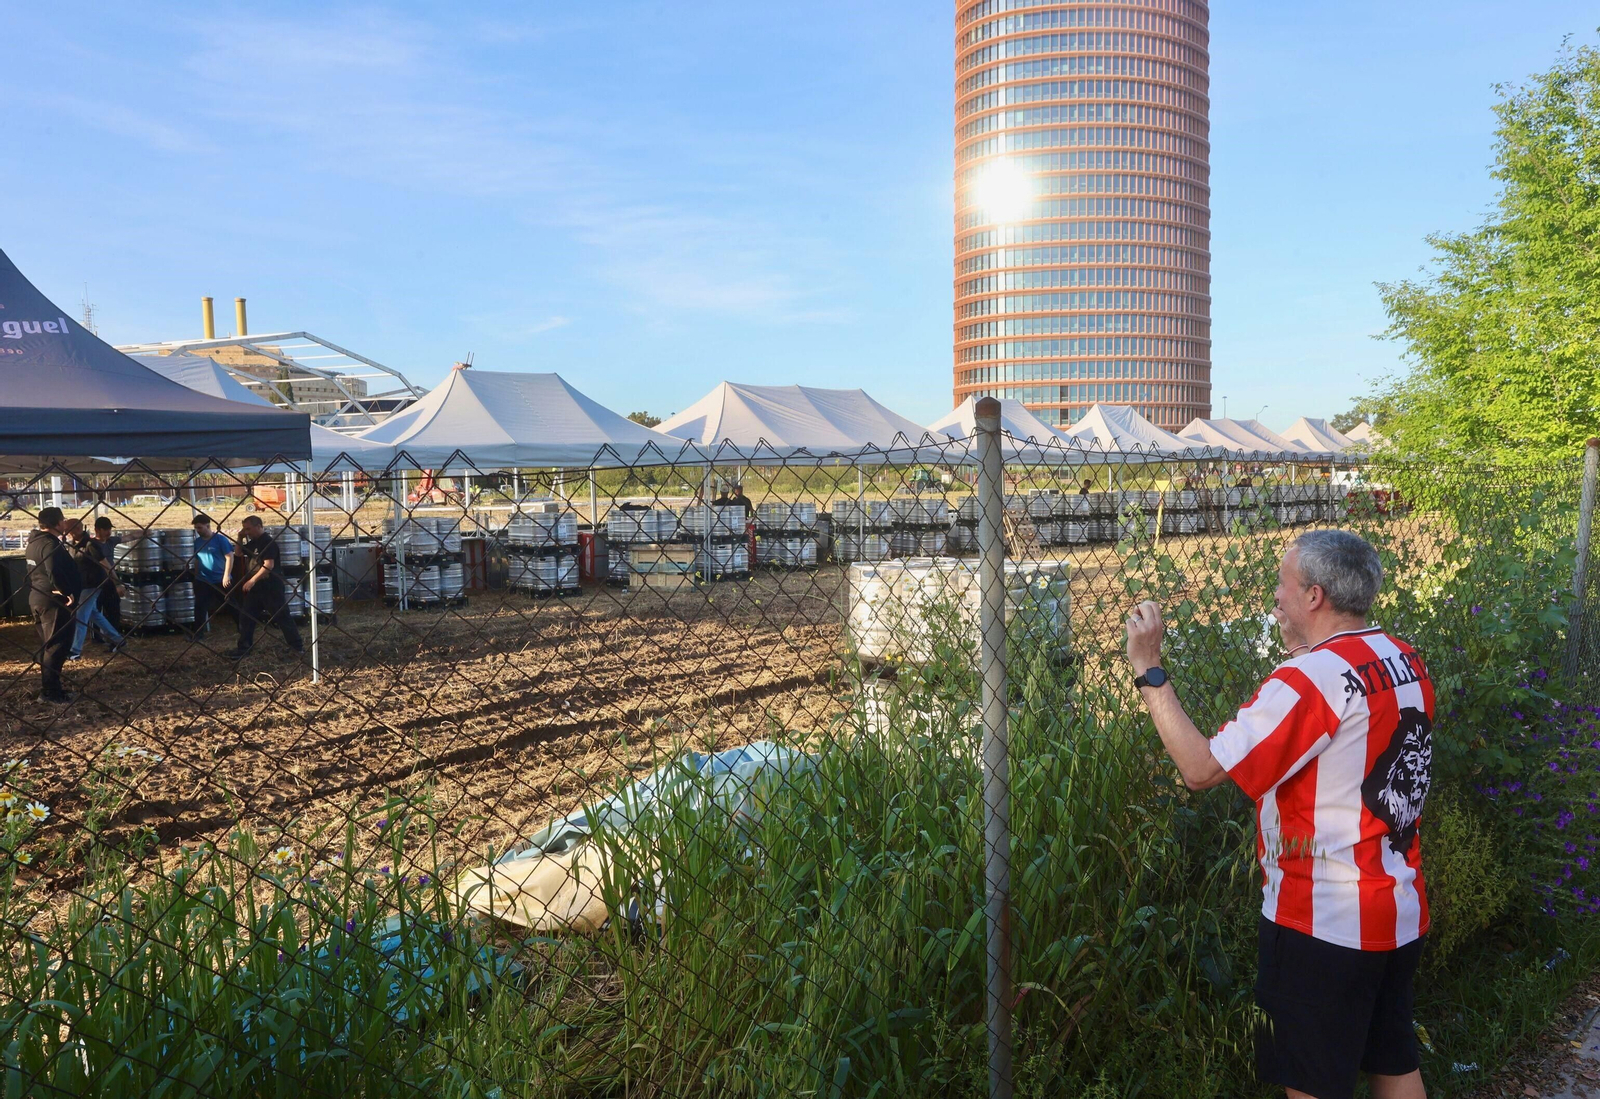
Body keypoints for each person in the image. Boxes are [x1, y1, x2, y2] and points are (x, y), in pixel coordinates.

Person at [1124, 529, 1432, 1099]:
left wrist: (1149, 669)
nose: (1274, 596)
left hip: (1323, 922)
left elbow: (1200, 768)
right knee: (1392, 1058)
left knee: (1314, 1081)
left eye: (1282, 584)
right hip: (1397, 904)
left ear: (1314, 596)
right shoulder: (1401, 656)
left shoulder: (1309, 680)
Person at [25, 508, 82, 704]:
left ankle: (51, 688)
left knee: (49, 646)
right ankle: (50, 692)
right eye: (63, 520)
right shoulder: (50, 545)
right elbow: (53, 569)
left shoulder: (34, 543)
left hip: (38, 597)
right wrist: (65, 591)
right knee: (57, 646)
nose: (65, 523)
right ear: (58, 523)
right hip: (54, 602)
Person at [226, 515, 303, 660]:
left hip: (270, 585)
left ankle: (297, 647)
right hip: (256, 588)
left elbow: (269, 565)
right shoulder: (253, 542)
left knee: (282, 616)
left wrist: (253, 580)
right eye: (244, 529)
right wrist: (240, 537)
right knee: (246, 617)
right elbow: (238, 553)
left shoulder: (268, 542)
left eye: (248, 529)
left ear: (258, 526)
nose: (246, 531)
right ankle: (243, 648)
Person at [63, 519, 125, 660]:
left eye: (71, 530)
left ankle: (75, 650)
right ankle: (118, 639)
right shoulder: (73, 545)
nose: (70, 533)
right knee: (93, 614)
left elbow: (106, 565)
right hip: (82, 585)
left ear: (78, 528)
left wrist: (117, 583)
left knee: (81, 616)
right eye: (68, 531)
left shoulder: (91, 545)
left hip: (93, 584)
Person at [190, 513, 234, 636]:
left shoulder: (220, 540)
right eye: (196, 528)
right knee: (200, 607)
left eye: (199, 527)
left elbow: (229, 557)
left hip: (220, 579)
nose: (197, 530)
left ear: (208, 526)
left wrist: (226, 575)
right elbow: (197, 559)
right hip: (203, 579)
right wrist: (196, 576)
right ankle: (198, 634)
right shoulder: (197, 542)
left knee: (231, 605)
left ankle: (242, 628)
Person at [91, 517, 123, 638]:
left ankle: (114, 633)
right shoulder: (92, 544)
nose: (108, 532)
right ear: (97, 530)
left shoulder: (111, 541)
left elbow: (128, 537)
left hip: (110, 581)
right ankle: (97, 636)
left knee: (113, 608)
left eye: (109, 529)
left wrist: (143, 533)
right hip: (96, 581)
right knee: (96, 609)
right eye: (105, 529)